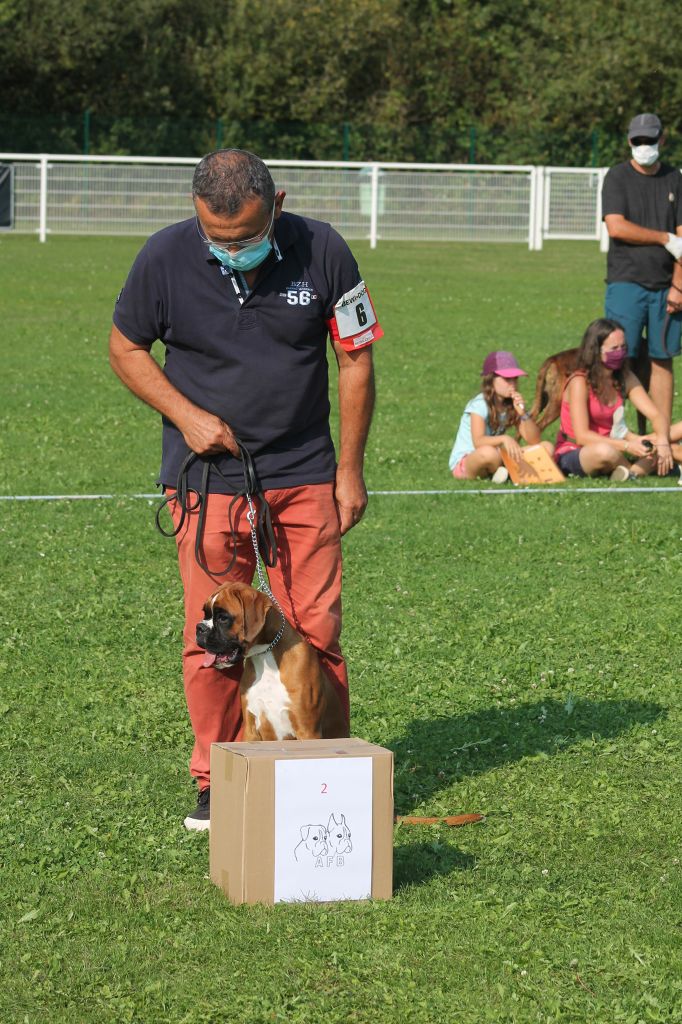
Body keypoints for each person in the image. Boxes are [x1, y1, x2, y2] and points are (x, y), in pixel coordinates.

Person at [108, 149, 383, 830]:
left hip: (304, 476)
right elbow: (124, 348)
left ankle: (329, 773)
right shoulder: (164, 257)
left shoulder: (324, 250)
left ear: (278, 204)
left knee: (313, 630)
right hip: (207, 485)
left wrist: (349, 469)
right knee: (214, 637)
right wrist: (186, 415)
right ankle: (216, 778)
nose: (231, 249)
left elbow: (356, 360)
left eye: (246, 238)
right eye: (217, 239)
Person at [602, 112, 682, 421]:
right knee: (620, 359)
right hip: (626, 283)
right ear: (629, 141)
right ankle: (623, 436)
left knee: (662, 360)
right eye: (638, 140)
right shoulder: (617, 177)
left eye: (650, 139)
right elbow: (617, 227)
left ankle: (660, 439)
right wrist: (663, 238)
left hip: (667, 288)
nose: (644, 145)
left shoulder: (675, 178)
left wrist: (678, 285)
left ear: (662, 139)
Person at [553, 318, 672, 480]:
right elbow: (582, 436)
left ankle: (629, 471)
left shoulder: (625, 377)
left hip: (615, 443)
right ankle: (635, 470)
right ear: (595, 351)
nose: (620, 353)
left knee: (672, 433)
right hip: (578, 451)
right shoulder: (579, 382)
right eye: (614, 348)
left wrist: (663, 442)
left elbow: (656, 415)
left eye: (623, 347)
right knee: (604, 452)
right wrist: (628, 446)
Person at [449, 351, 553, 482]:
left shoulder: (512, 404)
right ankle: (508, 472)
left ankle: (503, 473)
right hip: (470, 460)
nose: (512, 384)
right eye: (507, 379)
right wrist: (504, 439)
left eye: (515, 378)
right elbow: (478, 442)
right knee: (488, 454)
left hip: (498, 456)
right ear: (491, 379)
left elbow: (534, 440)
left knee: (546, 448)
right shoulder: (479, 404)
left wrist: (522, 414)